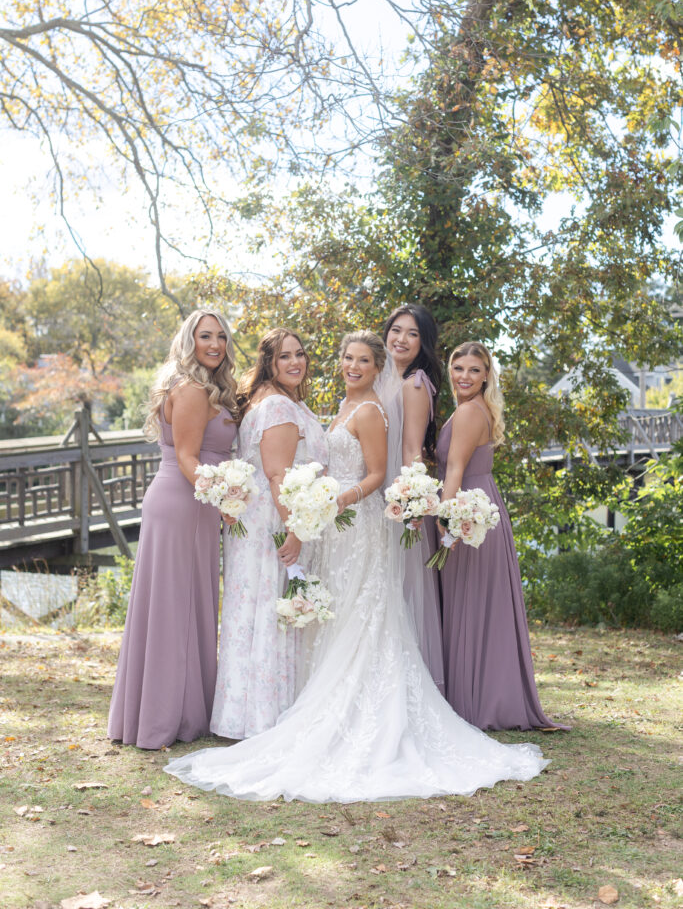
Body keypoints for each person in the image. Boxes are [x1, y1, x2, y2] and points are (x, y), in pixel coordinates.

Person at [164, 332, 549, 802]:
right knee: (338, 615)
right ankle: (326, 702)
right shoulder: (341, 409)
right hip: (334, 526)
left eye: (363, 360)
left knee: (362, 614)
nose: (352, 365)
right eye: (346, 357)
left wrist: (340, 496)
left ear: (377, 367)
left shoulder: (369, 412)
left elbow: (373, 473)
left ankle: (361, 711)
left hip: (357, 523)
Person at [108, 309, 238, 749]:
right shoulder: (193, 389)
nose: (215, 344)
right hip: (187, 501)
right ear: (190, 340)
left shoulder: (202, 386)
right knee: (174, 607)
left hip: (191, 502)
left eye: (221, 336)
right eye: (206, 336)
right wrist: (226, 500)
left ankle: (172, 711)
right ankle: (168, 718)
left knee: (179, 603)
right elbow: (187, 458)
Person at [436, 341, 566, 731]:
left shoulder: (468, 412)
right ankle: (484, 693)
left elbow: (456, 469)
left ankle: (478, 701)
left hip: (468, 513)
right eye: (458, 368)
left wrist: (447, 520)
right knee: (477, 602)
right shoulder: (476, 409)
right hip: (479, 505)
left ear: (487, 375)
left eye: (474, 370)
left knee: (472, 601)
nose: (464, 376)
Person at [210, 327, 328, 739]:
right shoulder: (278, 406)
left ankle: (243, 716)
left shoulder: (268, 400)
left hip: (256, 521)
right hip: (274, 522)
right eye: (284, 357)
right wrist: (294, 531)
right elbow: (278, 474)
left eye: (300, 354)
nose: (295, 362)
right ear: (268, 363)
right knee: (270, 609)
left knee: (256, 610)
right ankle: (269, 716)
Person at [383, 303, 445, 693]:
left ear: (423, 344)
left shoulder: (415, 383)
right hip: (377, 492)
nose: (401, 339)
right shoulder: (385, 379)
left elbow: (412, 450)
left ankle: (410, 686)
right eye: (396, 329)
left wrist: (411, 505)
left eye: (412, 333)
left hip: (400, 500)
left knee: (401, 586)